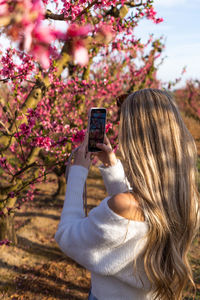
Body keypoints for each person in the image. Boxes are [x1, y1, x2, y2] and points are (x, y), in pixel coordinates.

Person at [55, 88, 199, 300]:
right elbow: (135, 216)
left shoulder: (124, 205)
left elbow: (67, 236)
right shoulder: (186, 200)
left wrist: (78, 172)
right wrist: (111, 164)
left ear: (135, 141)